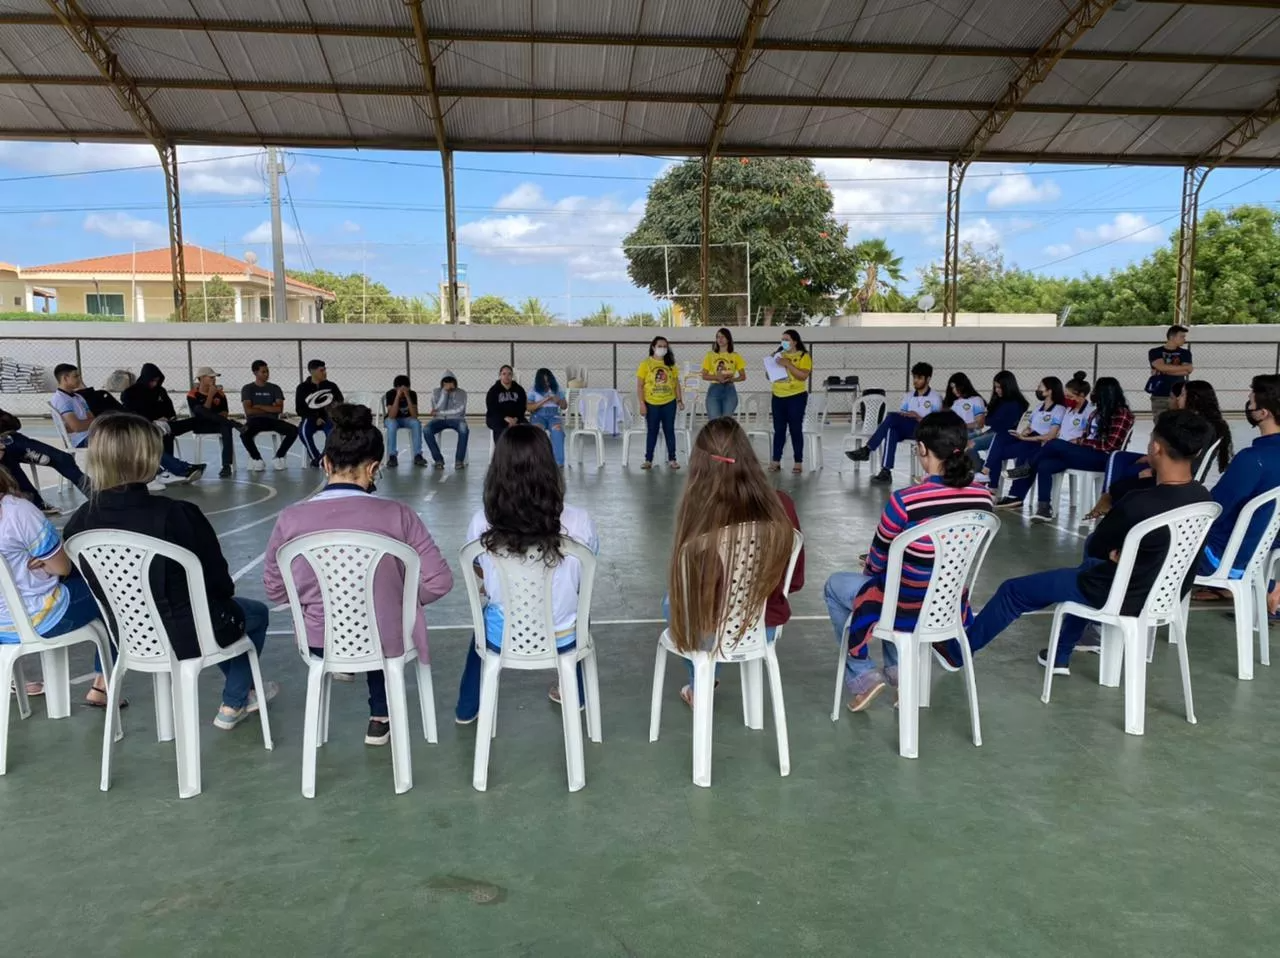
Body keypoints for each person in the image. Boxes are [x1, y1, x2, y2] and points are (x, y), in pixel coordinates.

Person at [936, 409, 1214, 676]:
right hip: (1164, 596)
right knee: (1092, 570)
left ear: (1154, 448)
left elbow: (1096, 545)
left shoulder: (1138, 504)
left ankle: (957, 654)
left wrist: (1118, 553)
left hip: (1119, 593)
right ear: (1197, 452)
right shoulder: (1204, 499)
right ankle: (1059, 654)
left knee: (1013, 591)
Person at [64, 413, 279, 729]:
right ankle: (236, 700)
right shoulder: (178, 514)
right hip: (188, 634)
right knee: (255, 613)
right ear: (150, 458)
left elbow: (79, 576)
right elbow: (219, 583)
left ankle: (241, 695)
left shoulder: (81, 521)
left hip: (127, 636)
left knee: (226, 614)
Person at [265, 404, 452, 746]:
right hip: (386, 635)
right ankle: (380, 715)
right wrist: (402, 601)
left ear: (325, 463)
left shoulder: (290, 519)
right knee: (381, 618)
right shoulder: (399, 515)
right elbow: (440, 581)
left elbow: (276, 591)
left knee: (363, 619)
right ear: (375, 468)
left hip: (320, 641)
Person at [825, 411, 993, 711]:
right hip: (948, 604)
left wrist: (872, 567)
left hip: (906, 604)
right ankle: (900, 674)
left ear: (922, 450)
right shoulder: (983, 499)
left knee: (843, 586)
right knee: (892, 582)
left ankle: (862, 673)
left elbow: (878, 557)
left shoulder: (906, 500)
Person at [454, 424, 598, 723]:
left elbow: (478, 568)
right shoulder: (580, 520)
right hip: (563, 633)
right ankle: (576, 692)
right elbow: (585, 573)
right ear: (549, 466)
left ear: (498, 469)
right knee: (579, 610)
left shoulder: (482, 522)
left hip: (504, 633)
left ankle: (468, 707)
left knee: (485, 619)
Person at [663, 418, 804, 707]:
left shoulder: (698, 510)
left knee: (670, 602)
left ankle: (699, 683)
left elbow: (689, 588)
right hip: (763, 626)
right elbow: (796, 579)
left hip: (711, 631)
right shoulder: (782, 505)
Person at [0, 464, 114, 706]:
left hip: (3, 629)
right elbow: (62, 568)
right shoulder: (16, 512)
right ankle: (101, 687)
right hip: (39, 618)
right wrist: (46, 558)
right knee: (114, 592)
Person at [1086, 380, 1232, 520]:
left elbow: (1192, 462)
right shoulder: (1193, 422)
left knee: (1122, 483)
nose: (1177, 399)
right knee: (1119, 456)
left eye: (1181, 395)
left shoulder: (1201, 428)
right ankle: (1107, 497)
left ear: (1193, 399)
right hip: (1165, 459)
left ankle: (1111, 501)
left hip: (1173, 472)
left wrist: (1154, 471)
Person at [1002, 376, 1134, 522]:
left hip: (1103, 458)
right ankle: (1044, 508)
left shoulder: (1122, 414)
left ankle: (1026, 468)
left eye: (1096, 391)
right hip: (1085, 454)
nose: (1093, 394)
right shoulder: (1097, 413)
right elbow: (1087, 434)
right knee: (1044, 465)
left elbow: (1110, 445)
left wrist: (1080, 441)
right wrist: (1079, 442)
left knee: (1054, 443)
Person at [1193, 374, 1280, 592]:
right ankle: (1269, 588)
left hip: (1223, 557)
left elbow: (1215, 509)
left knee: (1145, 543)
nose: (1248, 407)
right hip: (1260, 550)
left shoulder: (1253, 459)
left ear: (1263, 413)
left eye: (1251, 402)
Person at [844, 361, 942, 484]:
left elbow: (937, 422)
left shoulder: (935, 397)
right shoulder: (909, 396)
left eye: (919, 378)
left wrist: (918, 416)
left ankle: (868, 450)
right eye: (914, 377)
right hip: (908, 427)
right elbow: (903, 415)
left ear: (928, 379)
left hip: (924, 429)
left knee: (891, 417)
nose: (915, 381)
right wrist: (907, 415)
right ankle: (886, 472)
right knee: (892, 430)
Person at [120, 363, 205, 483]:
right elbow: (132, 415)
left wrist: (168, 418)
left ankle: (172, 470)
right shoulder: (130, 393)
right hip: (144, 428)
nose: (154, 384)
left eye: (156, 381)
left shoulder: (160, 391)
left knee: (192, 422)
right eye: (152, 381)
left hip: (166, 424)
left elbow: (170, 410)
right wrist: (153, 420)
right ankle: (181, 469)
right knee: (161, 436)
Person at [977, 376, 1067, 489]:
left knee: (996, 451)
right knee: (1001, 438)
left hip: (1038, 442)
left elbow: (1051, 435)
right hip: (1027, 439)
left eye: (1040, 387)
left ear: (1049, 391)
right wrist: (1024, 432)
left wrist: (1025, 438)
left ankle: (987, 474)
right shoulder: (1039, 407)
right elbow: (1029, 426)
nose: (1037, 389)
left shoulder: (1059, 409)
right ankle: (991, 485)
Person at [0, 407, 92, 515]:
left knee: (63, 458)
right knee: (7, 462)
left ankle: (95, 495)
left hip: (10, 439)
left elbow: (16, 424)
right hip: (6, 450)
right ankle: (35, 502)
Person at [186, 366, 247, 478]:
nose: (214, 380)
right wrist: (210, 395)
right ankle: (233, 423)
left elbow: (224, 413)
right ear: (201, 378)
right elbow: (200, 414)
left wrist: (214, 415)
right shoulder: (192, 394)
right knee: (200, 410)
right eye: (211, 377)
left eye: (214, 377)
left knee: (225, 426)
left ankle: (226, 465)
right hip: (201, 425)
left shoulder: (221, 394)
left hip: (218, 424)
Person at [239, 360, 298, 472]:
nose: (267, 374)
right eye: (263, 372)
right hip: (255, 421)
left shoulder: (275, 388)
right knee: (244, 434)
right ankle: (257, 459)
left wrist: (259, 406)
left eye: (267, 371)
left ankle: (279, 456)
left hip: (272, 420)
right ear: (255, 373)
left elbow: (279, 409)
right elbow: (249, 411)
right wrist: (270, 407)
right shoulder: (248, 389)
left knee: (294, 430)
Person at [769, 329, 813, 475]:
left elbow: (803, 376)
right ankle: (776, 460)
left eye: (787, 339)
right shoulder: (778, 355)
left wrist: (788, 364)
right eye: (782, 339)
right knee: (779, 430)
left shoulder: (803, 356)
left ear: (795, 341)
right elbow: (769, 375)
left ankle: (798, 462)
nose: (784, 342)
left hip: (796, 396)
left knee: (795, 429)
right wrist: (771, 364)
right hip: (778, 396)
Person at [637, 336, 684, 471]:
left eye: (665, 346)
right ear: (653, 347)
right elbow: (640, 386)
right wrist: (642, 404)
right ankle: (648, 459)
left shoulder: (671, 365)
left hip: (669, 402)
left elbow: (676, 384)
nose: (662, 348)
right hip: (651, 404)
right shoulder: (645, 364)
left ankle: (672, 459)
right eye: (660, 346)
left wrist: (679, 400)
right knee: (652, 431)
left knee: (669, 431)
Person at [970, 370, 1029, 464]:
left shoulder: (1015, 403)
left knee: (970, 445)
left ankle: (982, 468)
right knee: (962, 440)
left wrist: (989, 421)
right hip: (991, 431)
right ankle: (981, 465)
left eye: (999, 387)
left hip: (1003, 435)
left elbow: (1005, 424)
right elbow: (991, 420)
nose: (997, 390)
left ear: (1008, 387)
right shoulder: (999, 400)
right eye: (995, 387)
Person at [296, 359, 344, 467]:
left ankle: (324, 457)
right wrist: (315, 417)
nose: (325, 373)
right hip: (310, 418)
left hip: (328, 417)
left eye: (325, 370)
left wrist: (330, 413)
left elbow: (339, 401)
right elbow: (300, 409)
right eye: (321, 370)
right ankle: (316, 458)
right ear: (312, 372)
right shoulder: (302, 388)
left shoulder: (331, 386)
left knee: (333, 433)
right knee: (304, 432)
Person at [424, 372, 469, 470]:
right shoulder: (436, 392)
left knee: (464, 429)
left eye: (450, 381)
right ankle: (438, 460)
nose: (448, 383)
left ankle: (459, 460)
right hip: (438, 420)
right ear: (441, 383)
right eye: (445, 381)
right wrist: (444, 393)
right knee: (426, 429)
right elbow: (436, 408)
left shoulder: (462, 393)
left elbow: (459, 411)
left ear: (455, 382)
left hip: (457, 420)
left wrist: (440, 413)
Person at [1146, 324, 1193, 416]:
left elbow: (1187, 371)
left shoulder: (1185, 353)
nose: (1184, 339)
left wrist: (1163, 370)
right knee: (1160, 423)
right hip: (1160, 394)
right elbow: (1160, 366)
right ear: (1172, 337)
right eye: (1182, 336)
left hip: (1178, 395)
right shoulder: (1155, 351)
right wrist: (1183, 368)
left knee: (1178, 422)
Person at [701, 327, 747, 420]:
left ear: (728, 339)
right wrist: (717, 377)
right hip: (714, 389)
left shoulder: (735, 356)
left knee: (726, 422)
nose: (720, 339)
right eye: (718, 337)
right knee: (714, 421)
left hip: (729, 389)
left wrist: (731, 379)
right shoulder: (710, 355)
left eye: (723, 337)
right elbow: (704, 375)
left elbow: (743, 376)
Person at [527, 368, 568, 467]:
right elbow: (529, 407)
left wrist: (557, 400)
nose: (547, 383)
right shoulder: (533, 390)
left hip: (554, 415)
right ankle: (537, 460)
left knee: (557, 431)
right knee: (537, 430)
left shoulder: (557, 389)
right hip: (538, 415)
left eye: (548, 380)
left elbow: (564, 406)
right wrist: (544, 400)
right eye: (544, 381)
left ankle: (558, 462)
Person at [383, 374, 426, 468]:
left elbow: (414, 416)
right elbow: (391, 416)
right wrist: (397, 397)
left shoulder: (412, 394)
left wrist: (407, 397)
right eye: (399, 388)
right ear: (395, 388)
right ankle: (392, 455)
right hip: (392, 419)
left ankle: (418, 455)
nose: (402, 391)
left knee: (416, 423)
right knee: (392, 424)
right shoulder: (390, 394)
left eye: (405, 388)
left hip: (407, 419)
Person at [51, 363, 95, 449]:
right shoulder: (61, 399)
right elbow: (77, 427)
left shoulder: (78, 397)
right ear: (65, 378)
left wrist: (94, 421)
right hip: (80, 440)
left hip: (90, 434)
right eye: (76, 376)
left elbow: (91, 417)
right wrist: (97, 421)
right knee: (117, 439)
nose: (79, 379)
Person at [484, 365, 527, 446]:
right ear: (500, 375)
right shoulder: (493, 390)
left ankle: (521, 454)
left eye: (509, 374)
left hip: (516, 417)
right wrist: (506, 418)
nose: (507, 376)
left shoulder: (519, 389)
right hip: (498, 417)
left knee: (527, 430)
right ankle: (502, 454)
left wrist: (515, 419)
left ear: (512, 376)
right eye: (504, 374)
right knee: (501, 430)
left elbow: (522, 406)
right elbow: (492, 408)